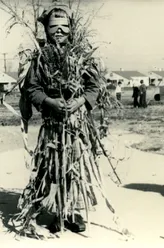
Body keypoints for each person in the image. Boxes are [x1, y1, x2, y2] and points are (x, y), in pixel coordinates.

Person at [15, 2, 111, 236]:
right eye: (53, 26)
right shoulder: (40, 58)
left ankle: (74, 212)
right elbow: (33, 89)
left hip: (76, 125)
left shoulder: (81, 56)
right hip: (52, 124)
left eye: (64, 26)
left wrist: (79, 102)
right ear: (45, 29)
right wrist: (49, 102)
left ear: (71, 28)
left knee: (75, 167)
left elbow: (93, 87)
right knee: (53, 167)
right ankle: (58, 212)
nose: (59, 30)